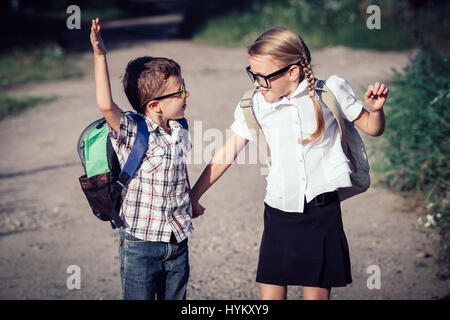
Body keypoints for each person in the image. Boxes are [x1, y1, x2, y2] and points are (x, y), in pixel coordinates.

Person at [189, 26, 389, 300]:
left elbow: (372, 127)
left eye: (264, 77)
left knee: (316, 296)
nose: (258, 84)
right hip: (279, 211)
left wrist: (376, 111)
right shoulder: (254, 105)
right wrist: (193, 196)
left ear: (293, 72)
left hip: (322, 211)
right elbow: (226, 153)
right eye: (253, 75)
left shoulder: (330, 91)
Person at [90, 18, 202, 300]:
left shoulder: (180, 128)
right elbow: (106, 104)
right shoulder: (132, 131)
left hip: (177, 240)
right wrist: (100, 55)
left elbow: (179, 167)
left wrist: (191, 199)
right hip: (141, 242)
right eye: (179, 92)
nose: (186, 95)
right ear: (154, 105)